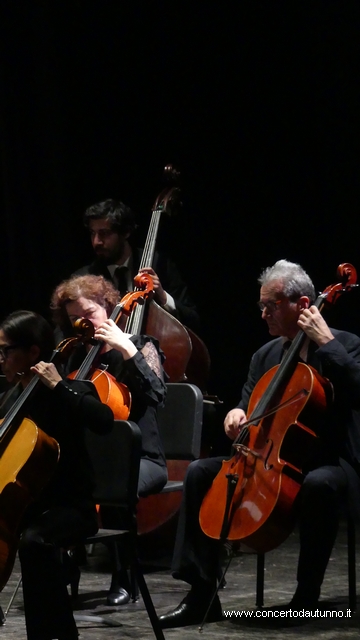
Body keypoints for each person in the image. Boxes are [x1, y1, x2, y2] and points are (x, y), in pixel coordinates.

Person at [158, 259, 360, 628]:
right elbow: (247, 402)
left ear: (301, 304)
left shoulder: (346, 345)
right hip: (271, 458)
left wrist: (325, 343)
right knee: (201, 471)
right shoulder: (265, 356)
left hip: (331, 460)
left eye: (271, 305)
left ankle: (306, 598)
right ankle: (202, 594)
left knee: (319, 484)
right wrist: (234, 414)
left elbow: (356, 388)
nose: (263, 314)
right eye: (261, 306)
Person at [51, 273, 168, 605]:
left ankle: (125, 576)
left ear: (108, 308)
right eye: (74, 318)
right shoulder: (76, 357)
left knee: (111, 483)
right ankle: (63, 567)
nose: (82, 323)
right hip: (91, 461)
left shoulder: (140, 345)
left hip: (142, 458)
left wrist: (127, 349)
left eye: (88, 313)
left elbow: (158, 394)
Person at [0, 309, 115, 640]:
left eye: (6, 351)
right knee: (31, 538)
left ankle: (60, 634)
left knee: (34, 542)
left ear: (33, 353)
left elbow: (104, 421)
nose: (1, 359)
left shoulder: (71, 391)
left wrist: (60, 387)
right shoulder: (9, 400)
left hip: (72, 509)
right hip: (28, 508)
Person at [73, 198, 200, 331]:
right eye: (93, 233)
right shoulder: (83, 278)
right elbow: (63, 329)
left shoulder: (160, 264)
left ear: (126, 232)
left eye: (104, 234)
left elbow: (193, 320)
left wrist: (163, 297)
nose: (96, 242)